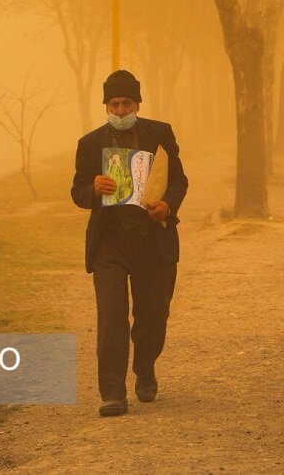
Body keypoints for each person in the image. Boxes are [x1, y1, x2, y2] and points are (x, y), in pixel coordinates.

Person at [71, 70, 188, 416]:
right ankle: (112, 392)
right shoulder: (90, 144)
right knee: (111, 316)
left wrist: (167, 205)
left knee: (153, 315)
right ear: (105, 106)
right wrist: (93, 189)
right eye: (114, 104)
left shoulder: (159, 134)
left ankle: (145, 364)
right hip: (109, 243)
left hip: (151, 240)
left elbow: (179, 181)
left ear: (138, 104)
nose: (120, 110)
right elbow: (77, 192)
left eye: (126, 103)